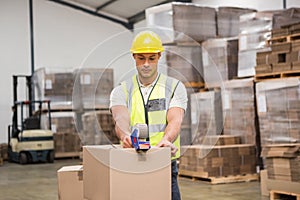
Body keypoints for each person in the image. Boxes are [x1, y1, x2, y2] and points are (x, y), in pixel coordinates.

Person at [109, 30, 187, 200]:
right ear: (134, 58)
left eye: (151, 58)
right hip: (133, 160)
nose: (146, 64)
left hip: (164, 159)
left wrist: (167, 139)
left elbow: (175, 118)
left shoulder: (174, 87)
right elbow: (120, 118)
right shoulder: (121, 90)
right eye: (141, 58)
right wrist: (125, 135)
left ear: (159, 57)